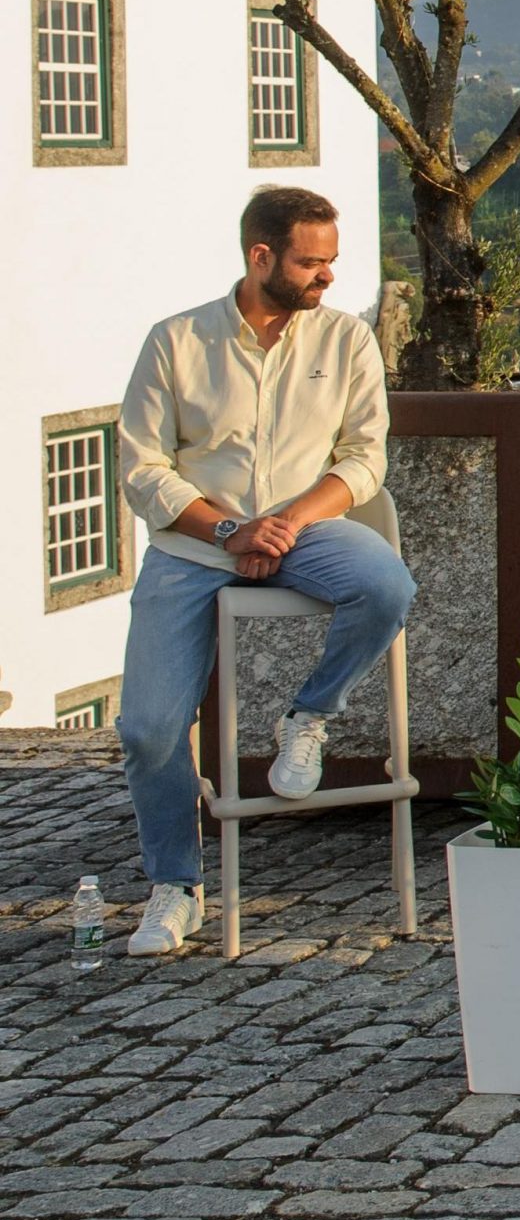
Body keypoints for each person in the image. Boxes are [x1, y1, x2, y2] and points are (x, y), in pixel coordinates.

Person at [115, 186, 416, 954]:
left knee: (387, 584)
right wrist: (228, 527)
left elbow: (365, 456)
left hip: (306, 530)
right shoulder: (176, 341)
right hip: (194, 546)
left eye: (330, 262)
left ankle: (308, 714)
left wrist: (287, 522)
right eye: (311, 263)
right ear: (261, 257)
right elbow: (143, 470)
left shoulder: (346, 339)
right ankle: (175, 886)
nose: (327, 278)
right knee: (148, 729)